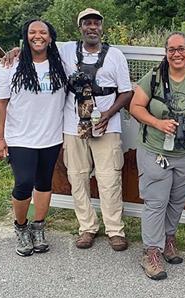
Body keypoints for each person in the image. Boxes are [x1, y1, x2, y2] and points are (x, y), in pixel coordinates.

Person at [129, 32, 185, 280]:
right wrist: (157, 123)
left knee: (176, 201)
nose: (177, 54)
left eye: (182, 49)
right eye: (172, 49)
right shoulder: (153, 77)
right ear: (166, 52)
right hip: (156, 150)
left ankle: (168, 240)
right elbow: (135, 107)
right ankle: (151, 252)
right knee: (156, 202)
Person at [0, 19, 68, 257]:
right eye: (32, 32)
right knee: (24, 183)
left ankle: (39, 226)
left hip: (51, 136)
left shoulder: (61, 63)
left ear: (51, 37)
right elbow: (0, 105)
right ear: (25, 37)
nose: (38, 36)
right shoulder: (9, 66)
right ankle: (21, 226)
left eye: (43, 32)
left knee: (45, 183)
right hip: (20, 137)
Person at [60, 8, 133, 251]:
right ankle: (87, 227)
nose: (92, 28)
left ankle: (115, 229)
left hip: (107, 126)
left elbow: (126, 92)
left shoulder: (115, 56)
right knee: (77, 176)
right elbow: (39, 45)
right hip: (74, 126)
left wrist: (109, 114)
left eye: (96, 24)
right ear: (80, 27)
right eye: (87, 23)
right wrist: (17, 51)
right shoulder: (67, 50)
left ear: (102, 28)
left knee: (109, 177)